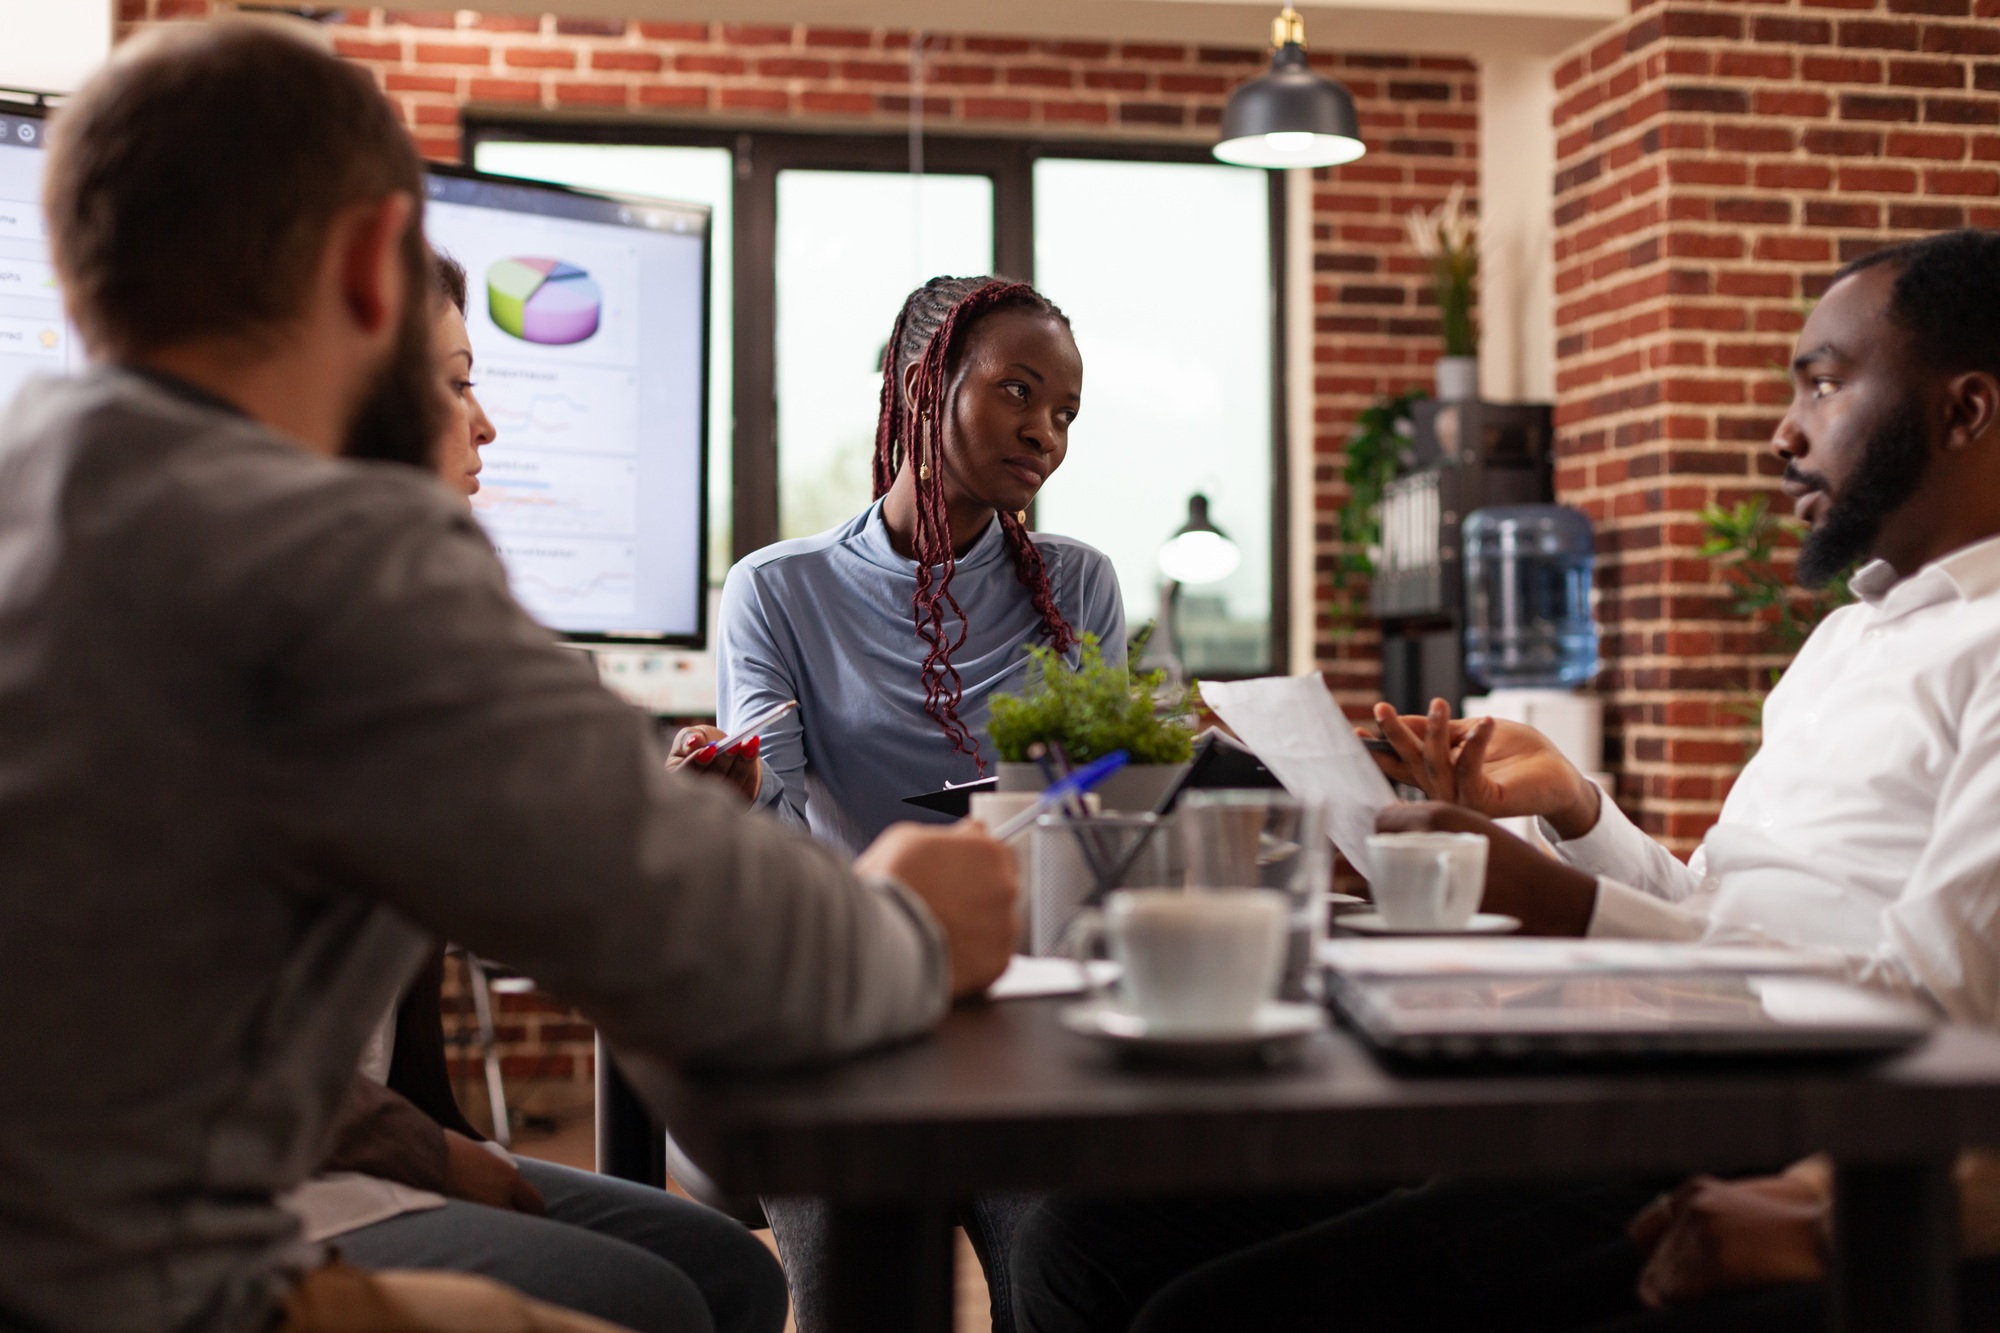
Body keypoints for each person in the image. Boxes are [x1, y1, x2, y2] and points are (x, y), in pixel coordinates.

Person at [0, 20, 1018, 1333]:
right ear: (376, 264)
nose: (480, 421)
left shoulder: (44, 490)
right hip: (132, 1295)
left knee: (705, 1271)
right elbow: (701, 933)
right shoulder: (324, 551)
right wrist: (912, 924)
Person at [1010, 228, 2000, 1333]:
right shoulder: (1847, 639)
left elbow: (1940, 1016)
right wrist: (1574, 810)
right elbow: (1718, 911)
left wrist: (1557, 904)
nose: (1782, 432)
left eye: (1821, 385)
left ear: (1962, 412)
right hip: (1669, 1065)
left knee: (1203, 1313)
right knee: (1078, 1238)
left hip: (1782, 1133)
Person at [276, 253, 788, 1333]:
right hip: (261, 1193)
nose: (487, 424)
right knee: (656, 1297)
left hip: (364, 1145)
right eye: (456, 382)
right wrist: (438, 1156)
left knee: (733, 1269)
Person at [712, 274, 1126, 856]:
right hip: (859, 936)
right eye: (1016, 391)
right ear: (922, 388)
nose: (1044, 435)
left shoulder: (1079, 583)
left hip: (1041, 935)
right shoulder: (775, 590)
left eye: (1066, 415)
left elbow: (1106, 820)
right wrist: (740, 782)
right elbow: (776, 841)